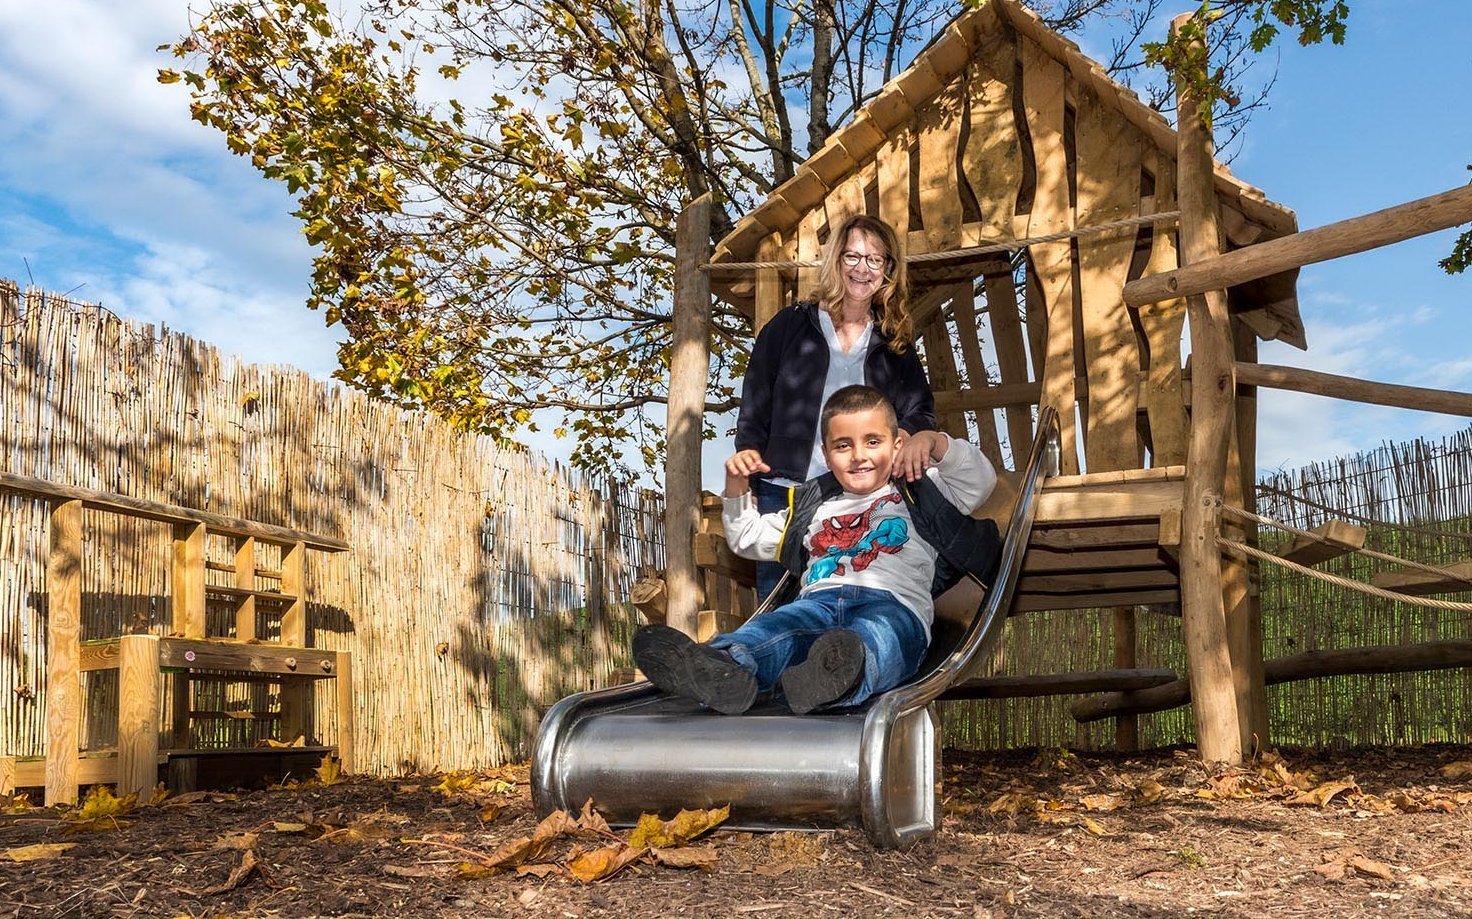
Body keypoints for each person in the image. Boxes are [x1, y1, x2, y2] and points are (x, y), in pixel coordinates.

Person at [633, 385, 996, 715]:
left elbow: (981, 481)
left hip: (893, 605)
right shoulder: (813, 507)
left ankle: (840, 678)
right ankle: (724, 668)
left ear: (896, 445)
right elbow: (747, 538)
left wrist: (933, 441)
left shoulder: (924, 490)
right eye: (843, 445)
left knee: (882, 638)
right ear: (826, 454)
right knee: (775, 630)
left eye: (873, 441)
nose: (858, 456)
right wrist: (737, 486)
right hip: (816, 604)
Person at [731, 213, 944, 603]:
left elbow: (919, 411)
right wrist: (750, 470)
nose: (862, 269)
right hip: (787, 492)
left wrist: (908, 440)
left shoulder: (893, 344)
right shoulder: (789, 327)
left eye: (874, 260)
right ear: (835, 262)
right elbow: (755, 400)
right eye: (852, 257)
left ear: (888, 271)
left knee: (843, 605)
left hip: (857, 498)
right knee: (775, 607)